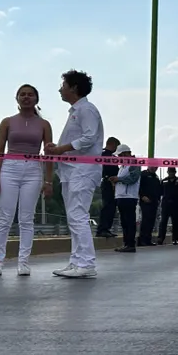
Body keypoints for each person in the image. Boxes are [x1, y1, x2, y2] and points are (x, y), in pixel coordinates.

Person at [0, 84, 53, 276]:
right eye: (22, 94)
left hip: (33, 169)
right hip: (10, 168)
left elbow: (49, 153)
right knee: (4, 217)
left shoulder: (44, 124)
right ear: (17, 98)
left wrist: (48, 181)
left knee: (26, 218)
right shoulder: (7, 122)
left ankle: (23, 261)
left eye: (30, 94)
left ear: (36, 99)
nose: (26, 97)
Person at [46, 69, 104, 279]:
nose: (60, 90)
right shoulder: (76, 111)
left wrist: (61, 149)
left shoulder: (87, 109)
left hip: (83, 171)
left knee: (78, 215)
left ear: (74, 88)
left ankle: (87, 263)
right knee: (73, 217)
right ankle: (76, 261)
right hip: (70, 170)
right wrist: (58, 148)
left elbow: (89, 138)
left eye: (63, 85)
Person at [110, 146, 140, 253]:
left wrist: (118, 179)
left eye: (120, 155)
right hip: (121, 196)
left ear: (126, 154)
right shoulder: (122, 166)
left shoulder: (134, 164)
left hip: (129, 197)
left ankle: (131, 244)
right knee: (124, 222)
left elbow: (133, 178)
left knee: (129, 221)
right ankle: (126, 243)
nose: (119, 157)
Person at [96, 136, 120, 238]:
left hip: (113, 183)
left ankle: (107, 228)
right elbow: (105, 169)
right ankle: (102, 229)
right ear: (112, 144)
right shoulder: (104, 154)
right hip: (108, 182)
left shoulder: (111, 156)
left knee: (112, 207)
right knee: (107, 206)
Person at [157, 166, 178, 245]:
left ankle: (175, 239)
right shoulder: (164, 181)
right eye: (170, 172)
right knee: (163, 222)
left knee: (175, 222)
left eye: (173, 172)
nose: (171, 173)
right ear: (168, 172)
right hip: (166, 204)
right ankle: (161, 238)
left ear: (175, 172)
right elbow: (160, 192)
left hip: (175, 204)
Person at [138, 166, 162, 246]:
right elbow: (138, 186)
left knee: (151, 221)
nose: (154, 168)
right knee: (146, 220)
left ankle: (148, 239)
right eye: (153, 167)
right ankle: (142, 240)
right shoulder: (143, 174)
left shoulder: (156, 176)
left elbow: (158, 189)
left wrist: (158, 199)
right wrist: (142, 196)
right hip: (145, 200)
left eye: (156, 167)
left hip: (154, 201)